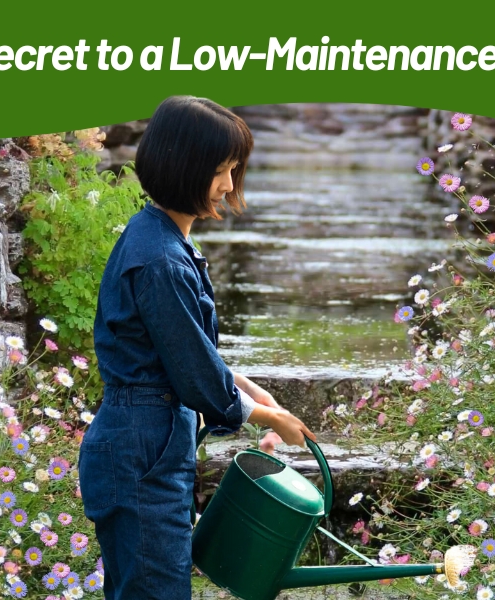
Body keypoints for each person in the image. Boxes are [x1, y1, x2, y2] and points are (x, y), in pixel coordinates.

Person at [78, 95, 316, 600]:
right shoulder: (162, 260)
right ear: (183, 167)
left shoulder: (163, 239)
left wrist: (256, 395)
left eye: (233, 169)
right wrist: (267, 420)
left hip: (147, 441)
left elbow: (186, 350)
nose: (229, 185)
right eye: (220, 170)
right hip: (141, 446)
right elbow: (194, 377)